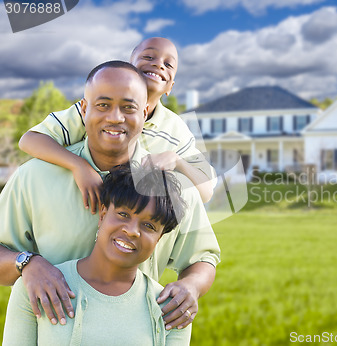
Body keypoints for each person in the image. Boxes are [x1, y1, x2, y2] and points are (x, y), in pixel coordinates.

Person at [0, 61, 220, 332]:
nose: (116, 117)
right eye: (103, 105)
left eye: (128, 107)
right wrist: (26, 263)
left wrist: (191, 287)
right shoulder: (33, 177)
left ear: (145, 111)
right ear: (84, 108)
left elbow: (203, 257)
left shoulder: (171, 188)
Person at [3, 164, 191, 345]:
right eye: (123, 214)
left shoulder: (172, 309)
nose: (132, 231)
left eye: (149, 226)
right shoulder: (37, 287)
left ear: (158, 239)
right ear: (102, 215)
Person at [18, 37, 215, 209]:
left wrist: (177, 161)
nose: (158, 65)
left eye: (168, 64)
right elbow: (30, 140)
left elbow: (206, 192)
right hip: (80, 205)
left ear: (170, 87)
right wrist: (79, 166)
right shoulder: (95, 110)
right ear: (129, 67)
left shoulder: (175, 128)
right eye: (148, 57)